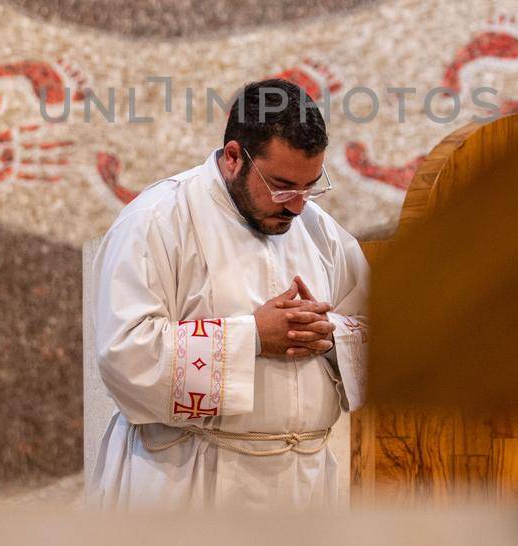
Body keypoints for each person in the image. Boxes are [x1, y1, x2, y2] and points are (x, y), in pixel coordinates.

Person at [88, 78, 370, 509]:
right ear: (235, 157)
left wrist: (329, 333)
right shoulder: (157, 221)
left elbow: (383, 332)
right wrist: (253, 336)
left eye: (310, 186)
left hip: (301, 490)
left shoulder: (321, 233)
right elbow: (126, 356)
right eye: (281, 186)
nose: (297, 205)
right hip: (190, 485)